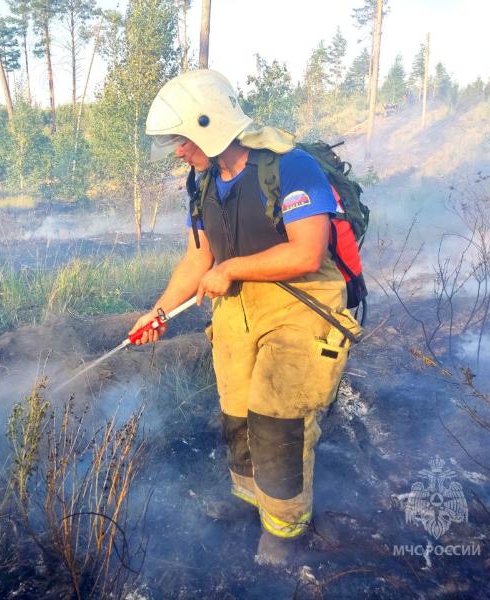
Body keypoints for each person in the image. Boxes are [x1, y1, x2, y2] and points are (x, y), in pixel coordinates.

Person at [129, 69, 361, 567]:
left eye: (183, 139)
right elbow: (198, 259)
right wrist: (160, 311)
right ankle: (253, 503)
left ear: (209, 125)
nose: (177, 151)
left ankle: (285, 531)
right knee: (238, 413)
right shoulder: (205, 180)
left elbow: (305, 252)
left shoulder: (290, 167)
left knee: (278, 421)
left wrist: (231, 268)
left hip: (301, 305)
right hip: (236, 310)